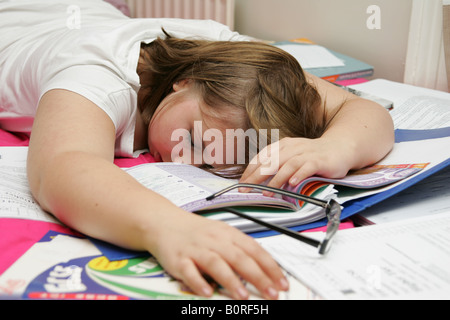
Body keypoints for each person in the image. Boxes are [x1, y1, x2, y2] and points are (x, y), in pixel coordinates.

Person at [0, 0, 394, 300]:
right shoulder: (96, 75)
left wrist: (334, 147)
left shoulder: (235, 57)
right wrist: (167, 226)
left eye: (212, 162)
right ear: (182, 82)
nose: (182, 162)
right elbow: (63, 166)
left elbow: (358, 108)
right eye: (191, 139)